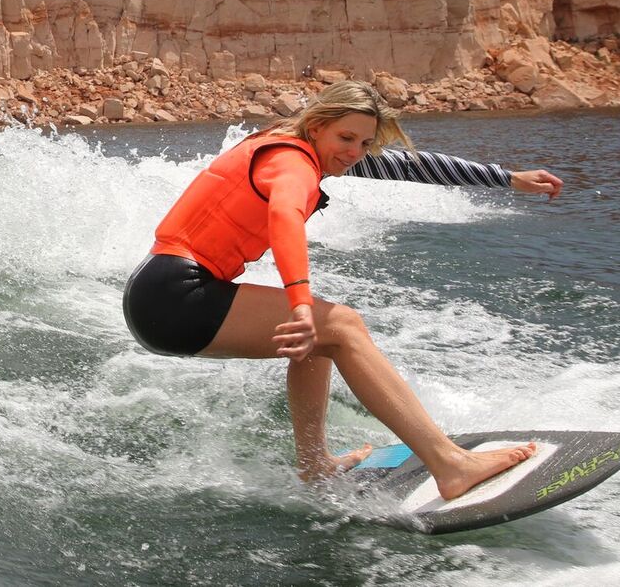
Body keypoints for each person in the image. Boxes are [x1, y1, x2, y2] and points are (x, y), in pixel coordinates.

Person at [123, 80, 564, 499]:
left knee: (320, 340)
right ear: (318, 126)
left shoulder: (306, 144)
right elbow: (285, 217)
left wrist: (505, 178)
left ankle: (315, 465)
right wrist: (298, 301)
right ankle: (451, 465)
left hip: (161, 294)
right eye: (347, 139)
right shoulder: (293, 162)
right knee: (344, 326)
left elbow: (406, 165)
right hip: (176, 295)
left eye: (365, 143)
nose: (356, 153)